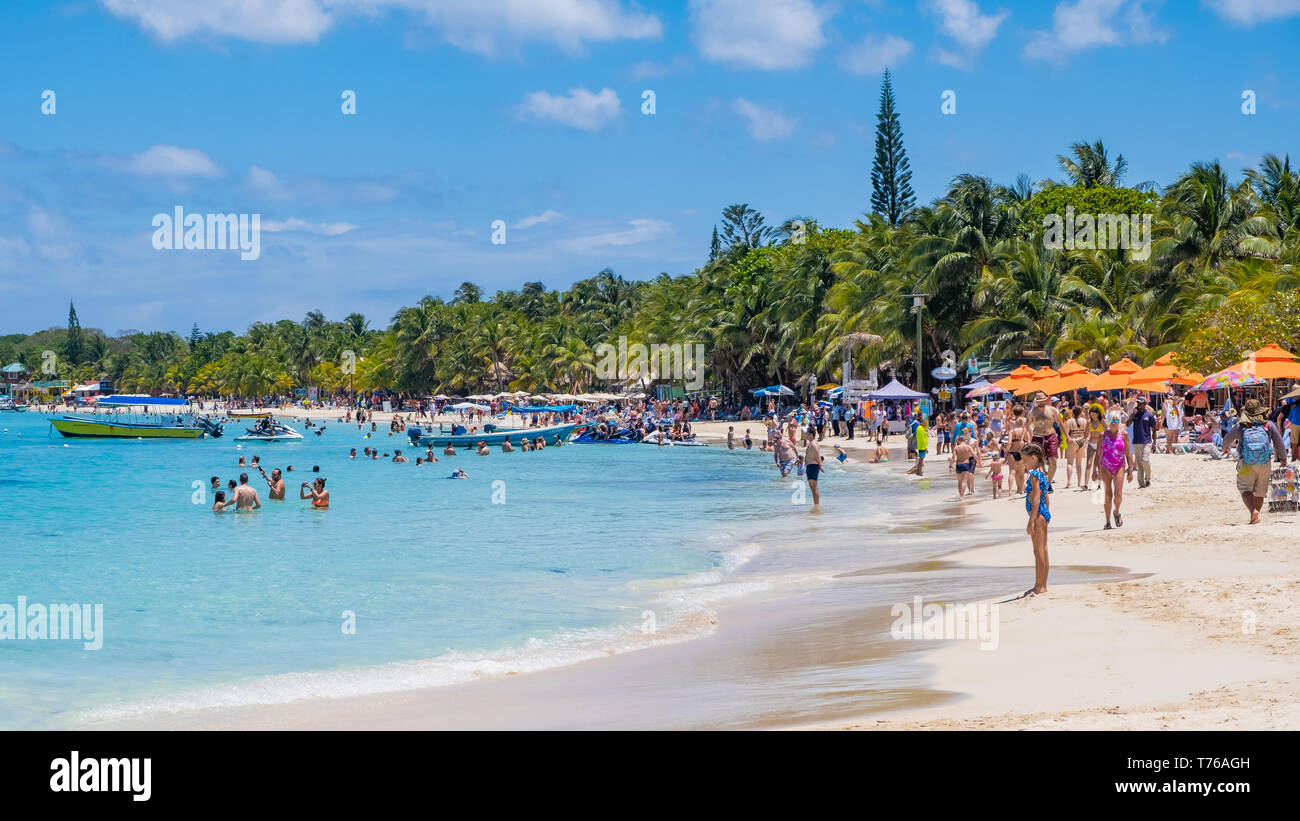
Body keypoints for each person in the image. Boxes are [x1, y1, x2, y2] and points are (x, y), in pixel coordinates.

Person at [1220, 399, 1288, 524]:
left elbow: (1226, 440)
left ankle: (1253, 512)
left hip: (1246, 463)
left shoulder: (1241, 425)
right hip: (1265, 463)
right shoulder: (1268, 425)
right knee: (1260, 492)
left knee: (1245, 489)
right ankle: (1255, 513)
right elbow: (1279, 443)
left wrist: (1225, 449)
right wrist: (1283, 459)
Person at [1020, 442, 1051, 596]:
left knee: (1038, 550)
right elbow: (1046, 496)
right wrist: (1047, 514)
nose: (1023, 463)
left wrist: (1032, 520)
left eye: (1025, 460)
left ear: (1033, 458)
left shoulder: (1034, 474)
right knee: (1043, 549)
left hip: (1037, 515)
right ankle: (1042, 584)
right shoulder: (1042, 472)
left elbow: (1037, 497)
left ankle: (1039, 586)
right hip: (1043, 514)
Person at [1097, 409, 1134, 529]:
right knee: (1108, 494)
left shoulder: (1124, 435)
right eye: (1112, 420)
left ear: (1119, 421)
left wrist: (1130, 470)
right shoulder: (1103, 435)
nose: (1114, 422)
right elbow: (1098, 454)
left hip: (1119, 466)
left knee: (1118, 494)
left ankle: (1116, 512)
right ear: (1108, 421)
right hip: (1105, 466)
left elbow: (1128, 453)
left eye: (1116, 420)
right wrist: (1094, 470)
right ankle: (1107, 522)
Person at [1027, 392, 1062, 483]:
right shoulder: (1032, 413)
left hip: (1051, 436)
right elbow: (1026, 427)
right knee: (1039, 462)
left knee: (1053, 460)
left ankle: (1049, 482)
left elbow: (1060, 423)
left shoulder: (1052, 410)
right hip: (1037, 437)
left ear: (1046, 400)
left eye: (1043, 401)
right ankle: (1043, 480)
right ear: (1036, 401)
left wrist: (1067, 436)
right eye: (1039, 401)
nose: (1041, 403)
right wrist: (1027, 439)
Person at [1126, 397, 1158, 487]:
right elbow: (1127, 424)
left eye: (1140, 403)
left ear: (1145, 404)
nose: (1138, 405)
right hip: (1136, 441)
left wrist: (1154, 444)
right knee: (1139, 464)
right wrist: (1132, 414)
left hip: (1147, 441)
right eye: (1138, 403)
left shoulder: (1149, 416)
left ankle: (1147, 478)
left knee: (1145, 460)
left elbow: (1154, 430)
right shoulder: (1135, 415)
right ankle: (1141, 483)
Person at [805, 435, 824, 507]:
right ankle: (815, 504)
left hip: (813, 466)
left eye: (807, 433)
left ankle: (817, 505)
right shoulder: (811, 443)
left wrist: (821, 465)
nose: (806, 434)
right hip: (809, 466)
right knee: (812, 487)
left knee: (814, 486)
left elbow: (817, 456)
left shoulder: (814, 444)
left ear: (811, 434)